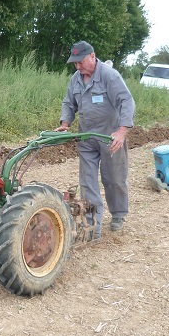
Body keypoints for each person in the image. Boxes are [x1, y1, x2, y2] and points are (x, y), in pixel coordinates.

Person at [55, 41, 136, 238]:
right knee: (87, 182)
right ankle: (92, 226)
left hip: (110, 136)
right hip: (86, 136)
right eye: (74, 63)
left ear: (92, 56)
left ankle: (118, 214)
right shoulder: (76, 79)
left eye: (80, 62)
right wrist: (65, 124)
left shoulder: (109, 75)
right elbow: (69, 102)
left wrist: (122, 131)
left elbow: (126, 101)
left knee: (114, 178)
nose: (77, 67)